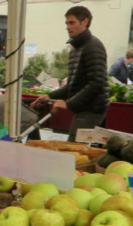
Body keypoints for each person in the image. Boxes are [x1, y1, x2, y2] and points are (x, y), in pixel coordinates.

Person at [34, 6, 109, 142]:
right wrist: (49, 95)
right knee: (77, 153)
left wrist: (69, 104)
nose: (68, 27)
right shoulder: (77, 48)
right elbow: (73, 85)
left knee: (75, 153)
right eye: (67, 23)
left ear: (84, 22)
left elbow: (97, 83)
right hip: (83, 110)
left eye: (72, 23)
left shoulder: (93, 46)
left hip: (91, 111)